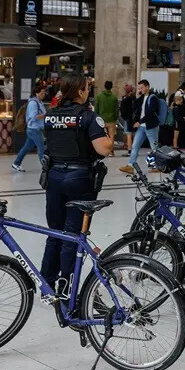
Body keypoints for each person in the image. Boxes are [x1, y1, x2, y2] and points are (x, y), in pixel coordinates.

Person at [39, 74, 112, 291]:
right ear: (80, 91)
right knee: (72, 233)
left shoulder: (50, 115)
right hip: (79, 178)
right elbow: (103, 149)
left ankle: (47, 280)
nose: (89, 91)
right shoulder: (88, 117)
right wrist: (107, 135)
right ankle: (65, 284)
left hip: (53, 176)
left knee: (54, 230)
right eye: (87, 87)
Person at [121, 80, 163, 173]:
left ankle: (158, 166)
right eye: (139, 88)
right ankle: (130, 166)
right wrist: (137, 96)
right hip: (142, 127)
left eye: (142, 88)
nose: (140, 90)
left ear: (147, 87)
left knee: (154, 147)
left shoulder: (153, 98)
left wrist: (140, 122)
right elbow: (135, 106)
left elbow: (151, 113)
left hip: (151, 126)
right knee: (135, 145)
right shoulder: (142, 96)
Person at [12, 85, 47, 172]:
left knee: (26, 147)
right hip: (34, 129)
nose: (44, 94)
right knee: (42, 148)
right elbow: (33, 117)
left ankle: (16, 163)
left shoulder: (39, 102)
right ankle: (45, 167)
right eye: (42, 93)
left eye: (44, 92)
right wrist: (46, 115)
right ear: (37, 93)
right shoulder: (33, 103)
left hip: (35, 129)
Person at [94, 81, 118, 146]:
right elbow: (116, 110)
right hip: (111, 119)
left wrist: (96, 117)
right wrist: (116, 117)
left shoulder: (99, 96)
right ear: (111, 87)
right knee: (111, 136)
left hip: (101, 119)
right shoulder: (114, 97)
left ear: (104, 86)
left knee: (102, 136)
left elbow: (96, 108)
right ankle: (111, 151)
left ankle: (103, 150)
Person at [171, 81, 185, 150]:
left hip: (181, 117)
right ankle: (176, 146)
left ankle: (180, 145)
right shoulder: (179, 93)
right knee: (176, 134)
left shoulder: (183, 94)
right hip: (179, 119)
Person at [118, 84, 137, 151]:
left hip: (128, 118)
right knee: (134, 134)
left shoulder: (125, 98)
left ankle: (129, 149)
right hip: (135, 118)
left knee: (128, 134)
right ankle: (134, 148)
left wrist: (124, 117)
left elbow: (122, 110)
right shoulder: (135, 98)